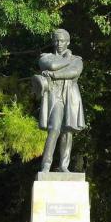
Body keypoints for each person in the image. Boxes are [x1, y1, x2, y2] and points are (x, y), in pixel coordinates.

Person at [35, 28, 85, 172]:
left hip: (70, 95)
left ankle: (64, 166)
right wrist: (67, 60)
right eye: (56, 40)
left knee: (67, 131)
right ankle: (46, 165)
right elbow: (52, 66)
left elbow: (74, 72)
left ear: (68, 42)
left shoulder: (77, 60)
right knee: (54, 129)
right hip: (54, 94)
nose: (59, 43)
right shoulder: (46, 57)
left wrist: (54, 75)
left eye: (62, 40)